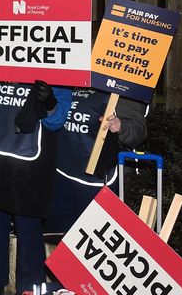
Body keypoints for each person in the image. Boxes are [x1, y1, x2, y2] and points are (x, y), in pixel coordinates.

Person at [0, 77, 71, 295]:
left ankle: (29, 287)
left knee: (28, 229)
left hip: (29, 164)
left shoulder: (56, 71)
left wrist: (50, 103)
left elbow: (57, 121)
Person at [44, 90, 147, 234]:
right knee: (57, 238)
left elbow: (138, 130)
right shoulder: (72, 77)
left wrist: (121, 126)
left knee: (90, 238)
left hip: (97, 181)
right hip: (62, 174)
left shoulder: (122, 85)